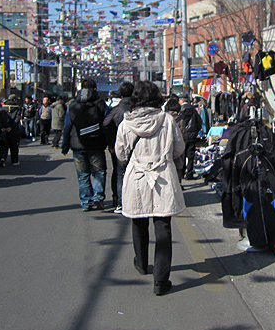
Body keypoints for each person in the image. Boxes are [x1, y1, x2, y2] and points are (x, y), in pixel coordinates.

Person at [115, 81, 185, 296]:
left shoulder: (126, 124)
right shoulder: (167, 120)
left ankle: (142, 263)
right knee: (163, 226)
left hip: (137, 176)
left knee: (139, 220)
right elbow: (179, 148)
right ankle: (161, 281)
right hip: (162, 175)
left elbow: (120, 154)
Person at [61, 79, 111, 211]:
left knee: (83, 175)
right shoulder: (101, 104)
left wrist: (64, 145)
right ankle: (98, 196)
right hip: (96, 144)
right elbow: (107, 124)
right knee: (99, 171)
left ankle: (86, 201)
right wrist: (109, 141)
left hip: (78, 145)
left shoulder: (73, 105)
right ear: (94, 89)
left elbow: (67, 127)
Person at [105, 81, 134, 213]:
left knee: (119, 173)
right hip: (136, 146)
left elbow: (105, 124)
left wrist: (111, 143)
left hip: (119, 146)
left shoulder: (115, 110)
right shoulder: (137, 109)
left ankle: (119, 201)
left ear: (121, 95)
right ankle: (134, 200)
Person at [177, 94, 202, 180]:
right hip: (192, 135)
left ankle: (181, 174)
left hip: (183, 135)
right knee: (191, 155)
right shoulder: (193, 110)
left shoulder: (180, 110)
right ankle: (189, 174)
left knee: (182, 155)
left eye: (179, 100)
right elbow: (199, 122)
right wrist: (195, 131)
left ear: (182, 100)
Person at [164, 97, 186, 183]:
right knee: (177, 169)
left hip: (165, 149)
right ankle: (178, 185)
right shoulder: (180, 119)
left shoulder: (162, 119)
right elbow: (183, 134)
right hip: (177, 148)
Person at [0, 95, 22, 167]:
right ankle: (14, 161)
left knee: (3, 146)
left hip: (3, 130)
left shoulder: (2, 108)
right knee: (14, 146)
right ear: (14, 100)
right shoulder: (17, 108)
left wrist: (2, 127)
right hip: (13, 131)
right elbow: (17, 119)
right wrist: (11, 127)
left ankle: (2, 159)